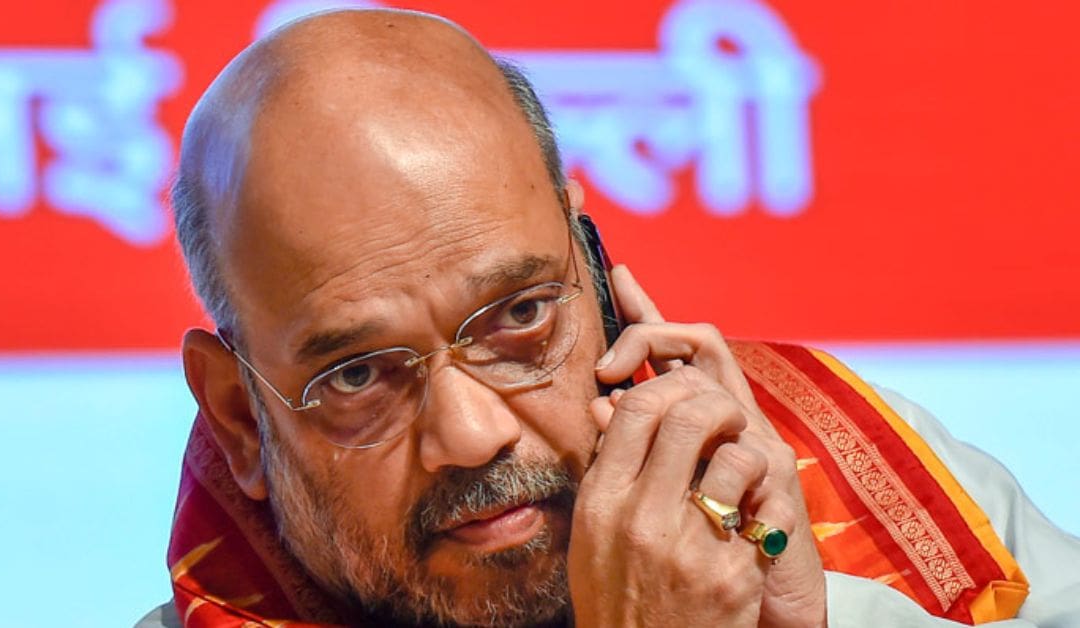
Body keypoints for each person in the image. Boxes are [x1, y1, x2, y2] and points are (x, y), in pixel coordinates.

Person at [139, 8, 1080, 627]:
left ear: (597, 276)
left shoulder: (837, 446)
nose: (472, 435)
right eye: (357, 375)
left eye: (520, 316)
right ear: (237, 417)